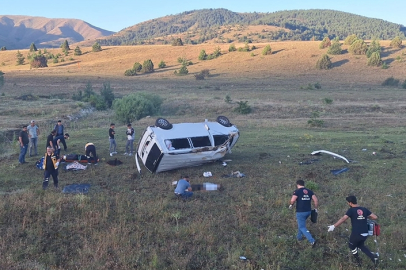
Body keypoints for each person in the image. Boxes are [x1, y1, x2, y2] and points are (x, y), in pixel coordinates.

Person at [327, 195, 379, 267]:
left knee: (351, 246)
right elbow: (375, 217)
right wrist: (365, 216)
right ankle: (373, 257)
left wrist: (334, 226)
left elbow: (343, 219)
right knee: (361, 245)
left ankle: (358, 262)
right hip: (365, 233)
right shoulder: (364, 209)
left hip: (356, 233)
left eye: (348, 202)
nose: (348, 204)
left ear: (350, 203)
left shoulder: (351, 210)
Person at [289, 179, 318, 247]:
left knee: (302, 227)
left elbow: (293, 200)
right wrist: (315, 208)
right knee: (301, 225)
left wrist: (291, 205)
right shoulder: (310, 191)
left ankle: (312, 241)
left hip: (300, 212)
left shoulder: (297, 191)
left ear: (297, 185)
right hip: (308, 211)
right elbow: (316, 200)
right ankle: (299, 238)